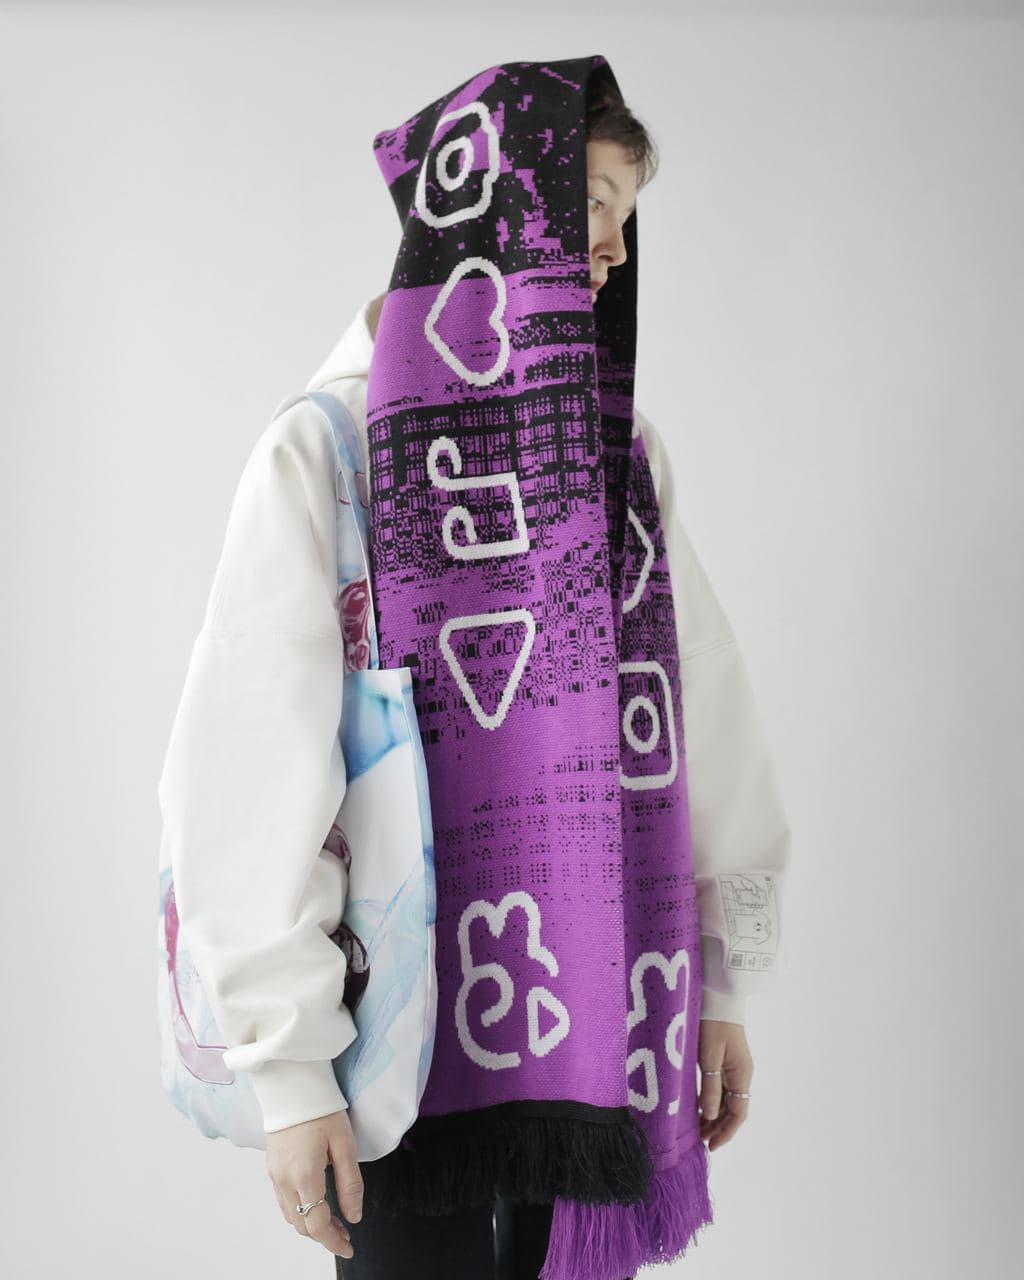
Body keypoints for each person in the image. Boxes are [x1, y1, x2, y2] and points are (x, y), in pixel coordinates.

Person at [159, 56, 790, 1280]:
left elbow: (695, 707)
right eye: (590, 203)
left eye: (626, 214)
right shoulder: (329, 455)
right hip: (388, 1031)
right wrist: (288, 1069)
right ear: (497, 210)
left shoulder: (616, 457)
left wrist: (718, 981)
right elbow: (249, 762)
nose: (611, 247)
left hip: (595, 1019)